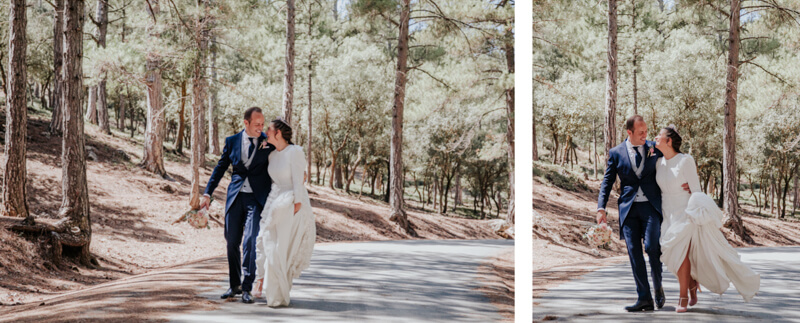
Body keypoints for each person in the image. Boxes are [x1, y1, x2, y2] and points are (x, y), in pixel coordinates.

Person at [654, 125, 760, 312]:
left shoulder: (685, 160)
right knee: (672, 255)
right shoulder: (658, 162)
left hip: (685, 213)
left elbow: (696, 191)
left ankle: (683, 298)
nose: (655, 137)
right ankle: (692, 284)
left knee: (681, 253)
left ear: (669, 141)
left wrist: (695, 214)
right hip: (666, 214)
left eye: (659, 136)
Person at [201, 107, 274, 304]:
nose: (261, 128)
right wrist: (207, 193)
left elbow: (286, 150)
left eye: (262, 124)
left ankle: (247, 287)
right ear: (246, 123)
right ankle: (235, 285)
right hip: (235, 197)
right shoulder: (232, 141)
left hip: (256, 199)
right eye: (257, 124)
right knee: (232, 241)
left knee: (250, 240)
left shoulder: (269, 141)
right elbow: (220, 167)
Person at [597, 115, 667, 311]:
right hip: (628, 210)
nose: (646, 135)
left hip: (651, 207)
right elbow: (607, 182)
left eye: (646, 131)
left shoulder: (654, 148)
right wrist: (601, 208)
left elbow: (672, 164)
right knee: (634, 253)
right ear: (629, 132)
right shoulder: (616, 152)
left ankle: (658, 287)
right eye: (641, 132)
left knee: (653, 248)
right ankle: (644, 298)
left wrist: (683, 182)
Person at [253, 118, 316, 307]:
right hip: (274, 199)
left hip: (290, 202)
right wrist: (262, 145)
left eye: (269, 130)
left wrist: (297, 204)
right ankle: (263, 280)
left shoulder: (294, 152)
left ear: (278, 133)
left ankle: (277, 293)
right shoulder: (272, 155)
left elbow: (299, 179)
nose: (265, 132)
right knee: (263, 239)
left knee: (280, 247)